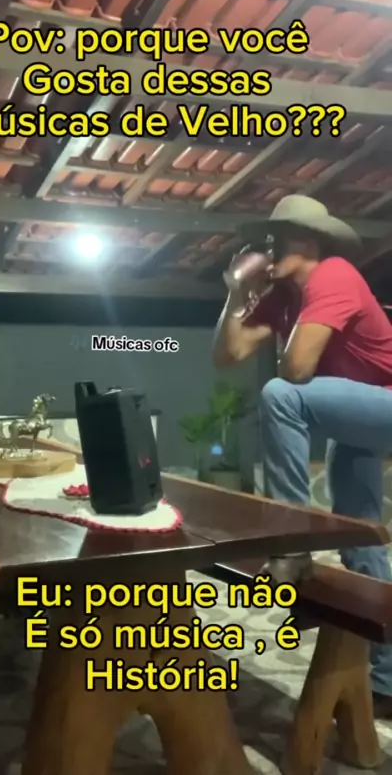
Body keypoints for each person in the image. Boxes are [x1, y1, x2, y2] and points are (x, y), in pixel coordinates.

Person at [213, 194, 392, 718]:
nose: (264, 248)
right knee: (361, 538)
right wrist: (236, 293)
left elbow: (294, 373)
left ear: (307, 242)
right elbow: (228, 355)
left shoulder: (334, 275)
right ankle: (388, 682)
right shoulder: (284, 296)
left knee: (279, 394)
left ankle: (292, 544)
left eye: (275, 239)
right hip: (360, 418)